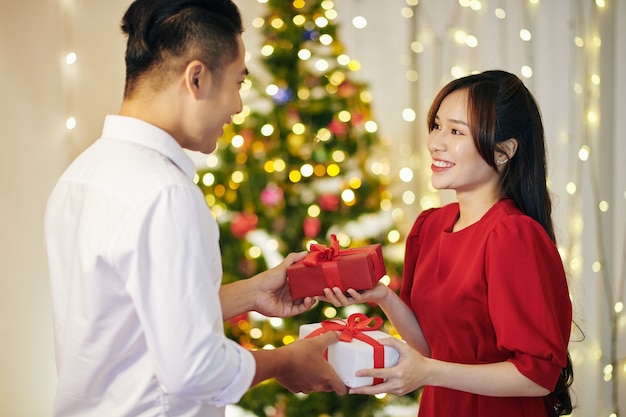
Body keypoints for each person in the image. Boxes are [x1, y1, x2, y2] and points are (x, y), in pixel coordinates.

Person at [44, 1, 347, 416]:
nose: (237, 106)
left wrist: (250, 293)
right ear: (197, 78)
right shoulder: (164, 193)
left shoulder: (82, 174)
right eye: (238, 82)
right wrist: (287, 361)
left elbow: (124, 320)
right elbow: (194, 368)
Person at [323, 70, 574, 417]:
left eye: (456, 131)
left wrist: (430, 371)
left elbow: (538, 377)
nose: (435, 142)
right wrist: (382, 296)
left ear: (503, 151)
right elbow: (431, 345)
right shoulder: (430, 226)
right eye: (437, 126)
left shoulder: (513, 235)